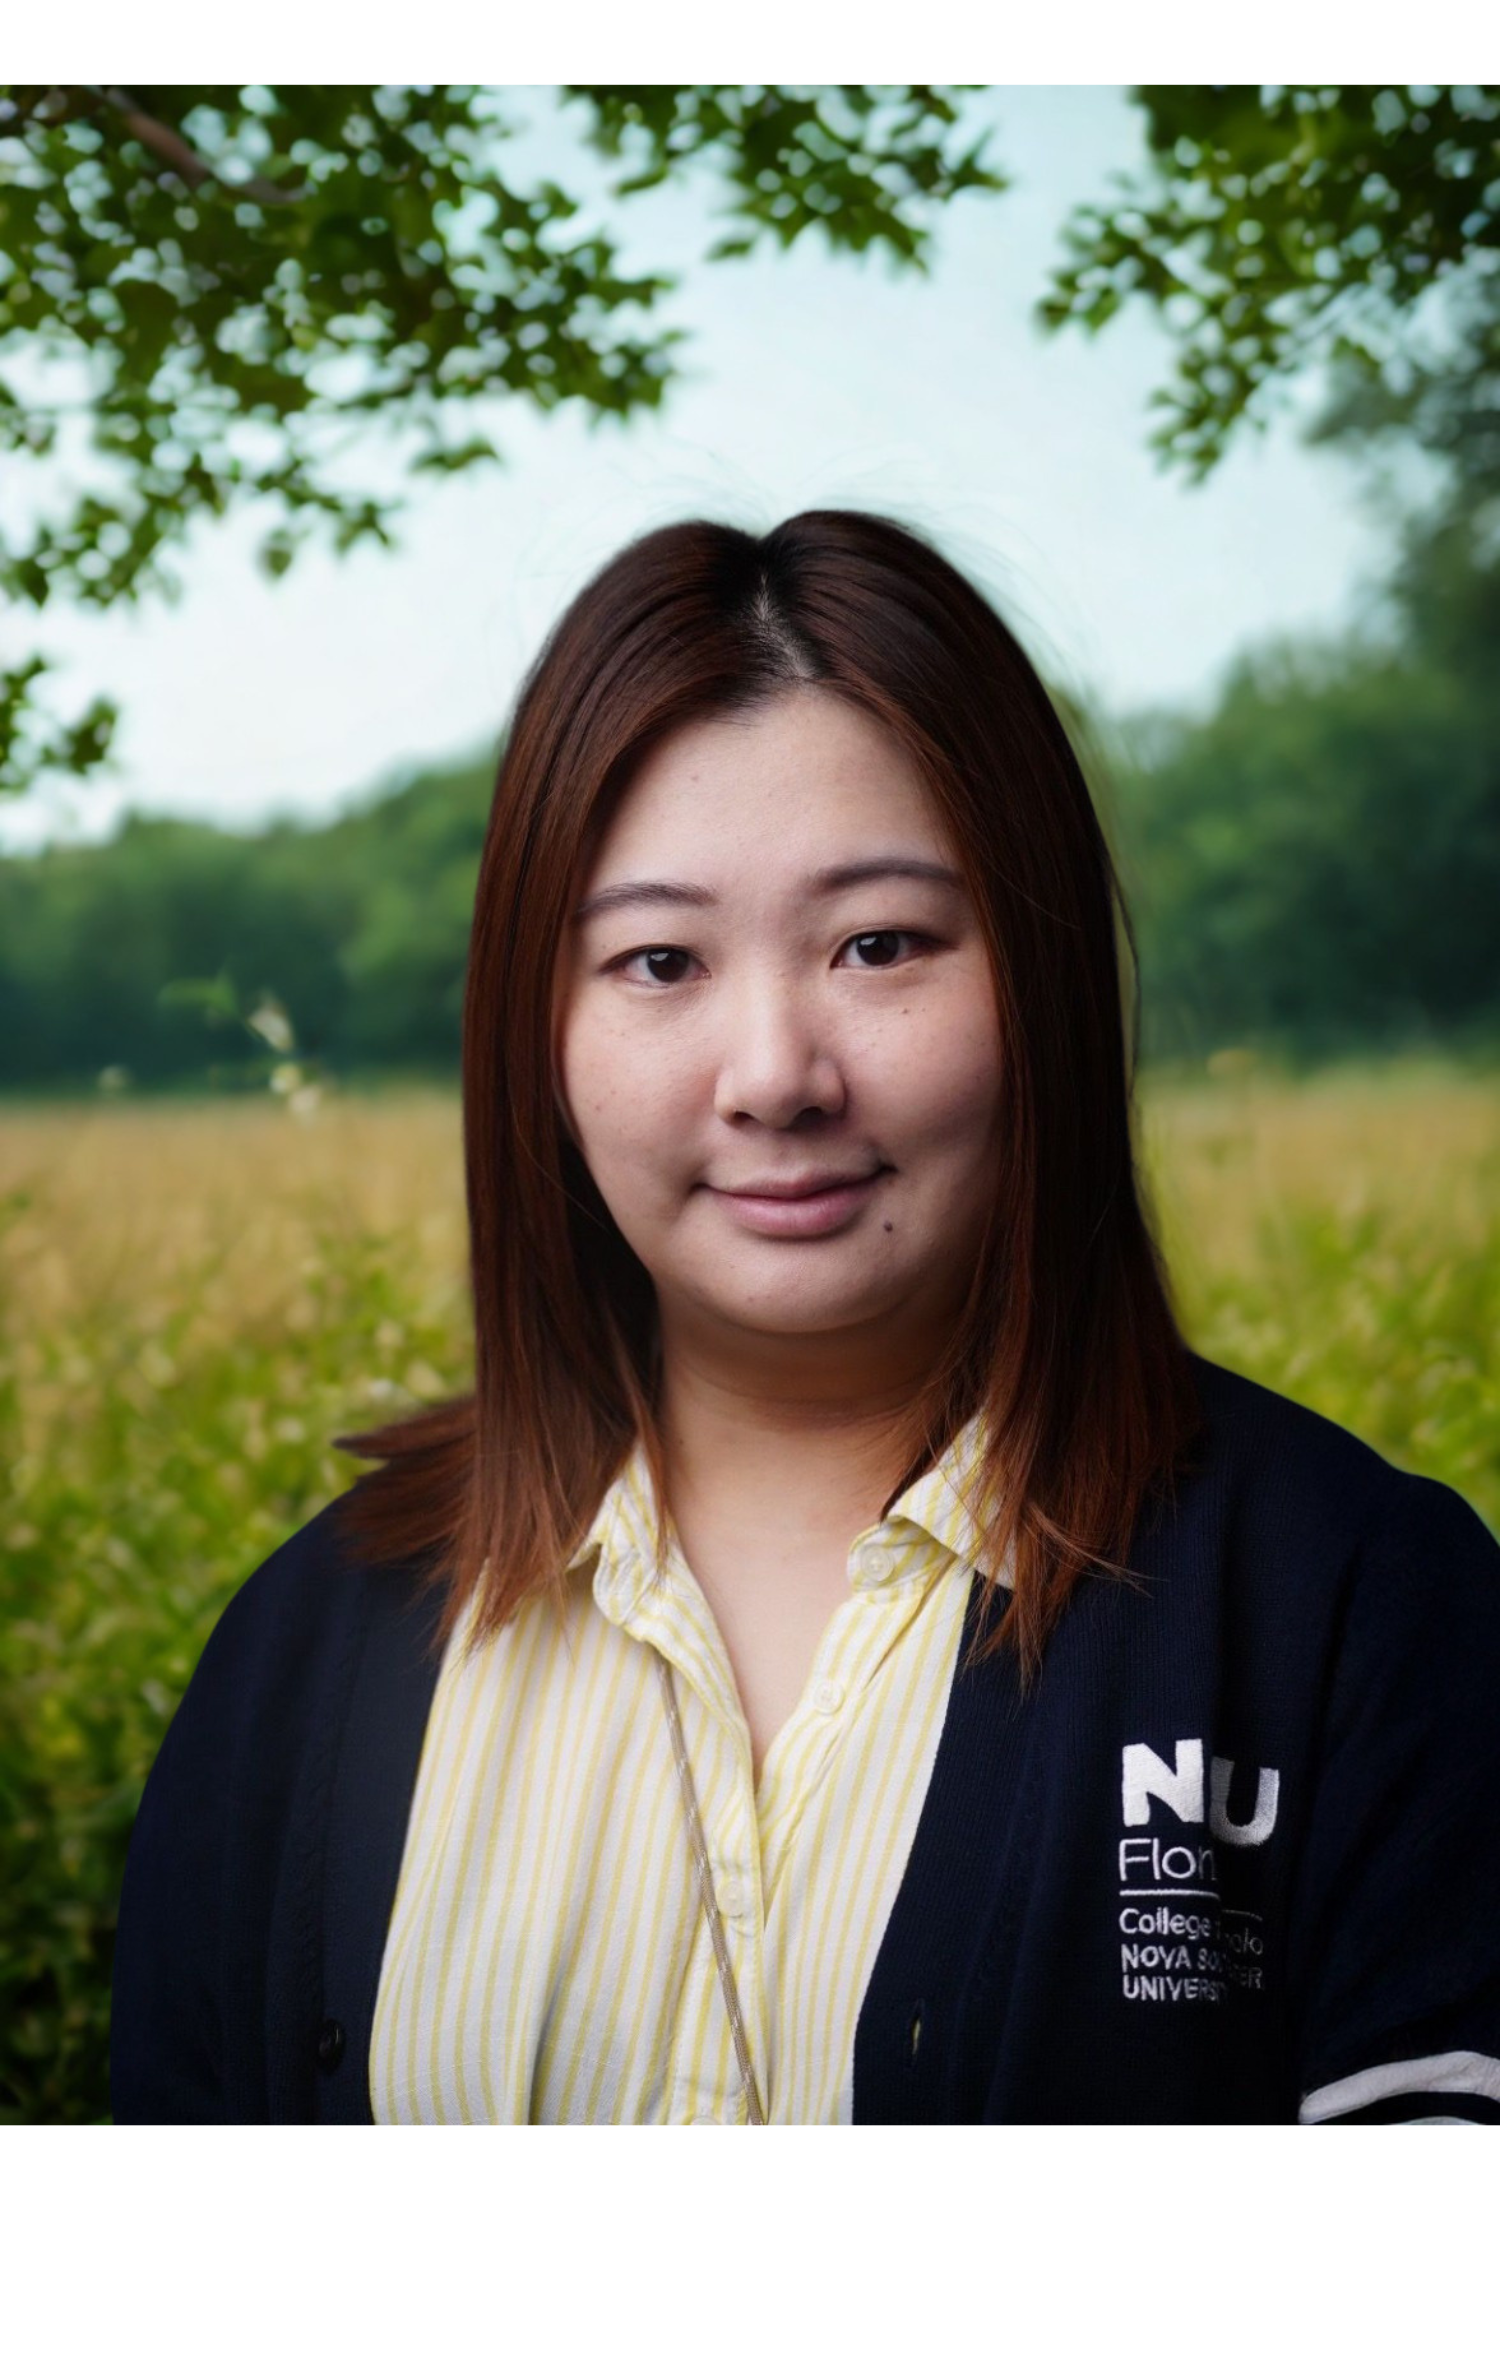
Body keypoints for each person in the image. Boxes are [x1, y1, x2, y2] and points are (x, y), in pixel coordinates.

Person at [110, 509, 1500, 2124]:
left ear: (1040, 981)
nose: (775, 1074)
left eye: (880, 944)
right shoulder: (307, 1657)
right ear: (532, 1033)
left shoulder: (1358, 1613)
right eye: (657, 962)